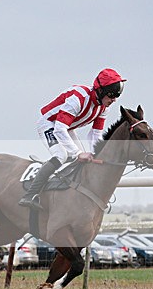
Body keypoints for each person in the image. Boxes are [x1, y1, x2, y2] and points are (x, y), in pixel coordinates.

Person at [19, 68, 126, 209]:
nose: (114, 99)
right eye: (112, 94)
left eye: (117, 94)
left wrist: (97, 153)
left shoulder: (103, 108)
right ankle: (29, 195)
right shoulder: (78, 99)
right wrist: (77, 153)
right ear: (100, 90)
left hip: (66, 128)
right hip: (49, 123)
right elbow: (59, 128)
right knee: (61, 155)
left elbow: (95, 134)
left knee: (82, 159)